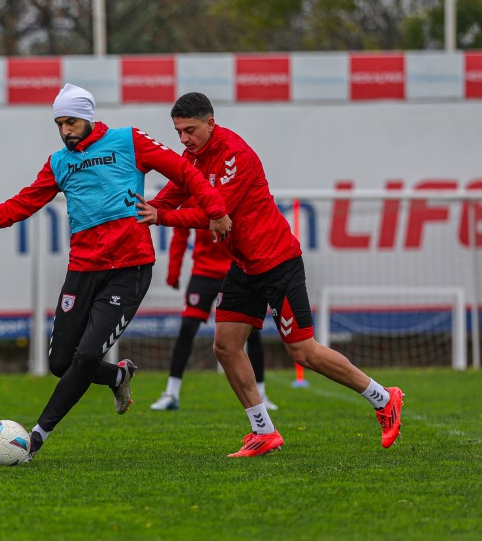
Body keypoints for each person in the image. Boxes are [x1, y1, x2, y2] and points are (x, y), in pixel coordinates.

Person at [0, 83, 231, 462]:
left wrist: (216, 210)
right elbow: (19, 205)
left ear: (88, 118)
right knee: (61, 363)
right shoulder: (59, 162)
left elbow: (187, 174)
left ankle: (35, 437)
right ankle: (118, 377)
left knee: (87, 355)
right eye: (59, 123)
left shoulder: (129, 141)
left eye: (71, 121)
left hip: (129, 267)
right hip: (83, 270)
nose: (65, 131)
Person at [137, 92, 404, 457]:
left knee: (303, 352)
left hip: (278, 263)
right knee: (226, 346)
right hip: (245, 266)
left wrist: (162, 216)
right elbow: (177, 191)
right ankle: (263, 431)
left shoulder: (236, 156)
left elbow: (216, 213)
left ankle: (384, 397)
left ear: (210, 123)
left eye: (189, 130)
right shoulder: (193, 157)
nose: (183, 139)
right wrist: (146, 209)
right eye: (178, 132)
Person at [150, 220, 278, 411]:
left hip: (236, 271)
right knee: (187, 327)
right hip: (203, 272)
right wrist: (173, 272)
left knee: (251, 331)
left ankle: (261, 394)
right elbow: (180, 232)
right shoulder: (194, 193)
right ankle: (171, 393)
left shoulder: (234, 190)